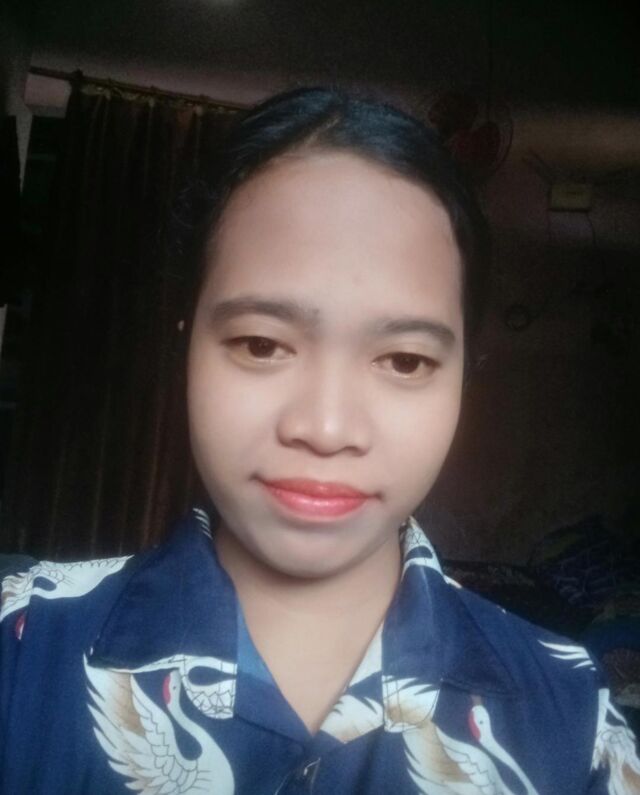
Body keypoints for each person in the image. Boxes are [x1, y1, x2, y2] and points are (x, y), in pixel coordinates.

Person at [1, 86, 639, 794]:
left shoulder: (575, 723)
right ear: (186, 351)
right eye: (261, 344)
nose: (327, 429)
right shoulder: (19, 646)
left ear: (464, 379)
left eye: (405, 360)